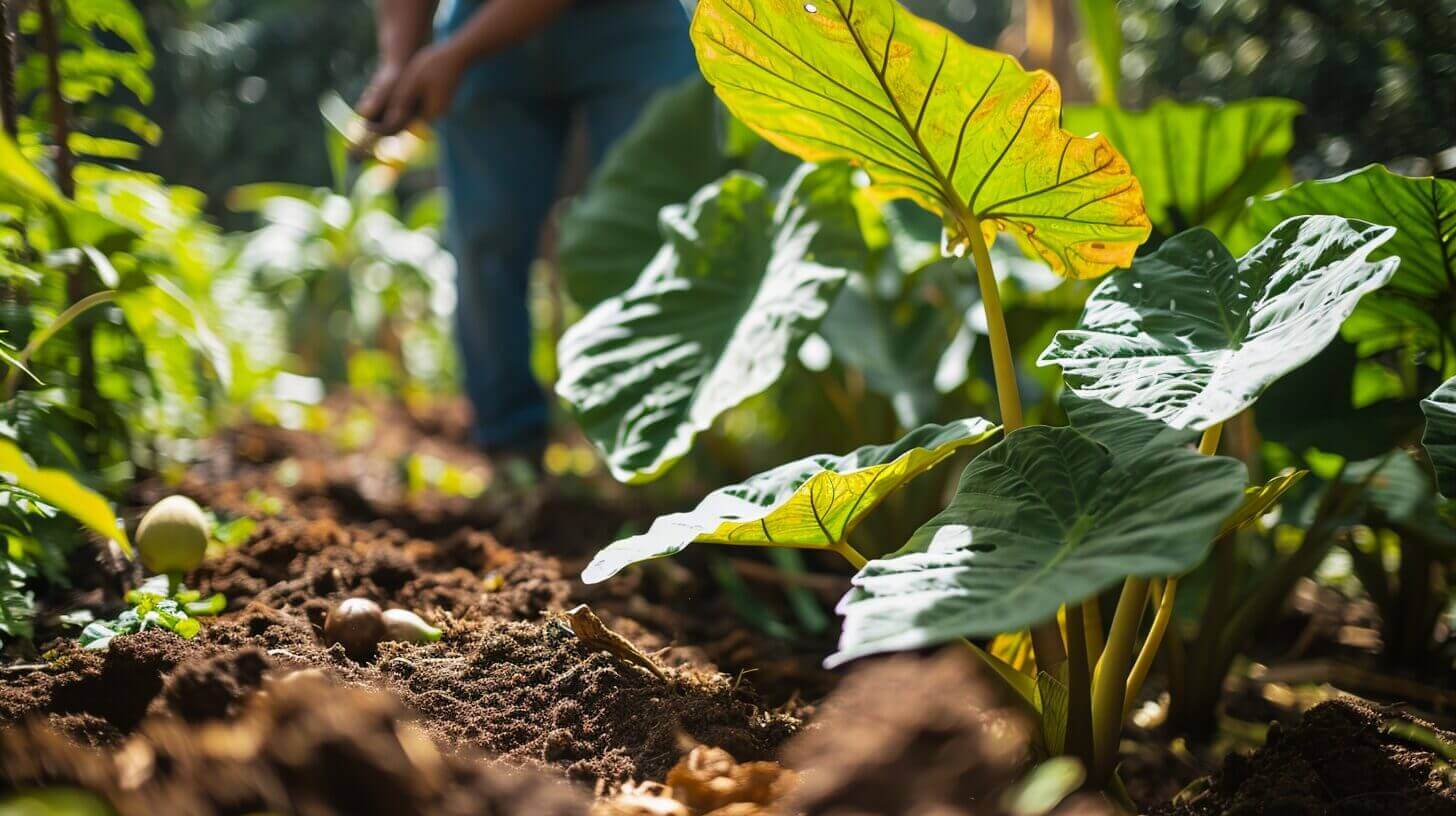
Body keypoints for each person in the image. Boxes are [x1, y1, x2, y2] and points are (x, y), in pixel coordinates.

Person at [357, 0, 696, 460]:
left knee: (650, 229)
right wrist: (399, 62)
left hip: (633, 23)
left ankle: (653, 442)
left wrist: (455, 54)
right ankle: (509, 447)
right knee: (487, 234)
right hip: (479, 21)